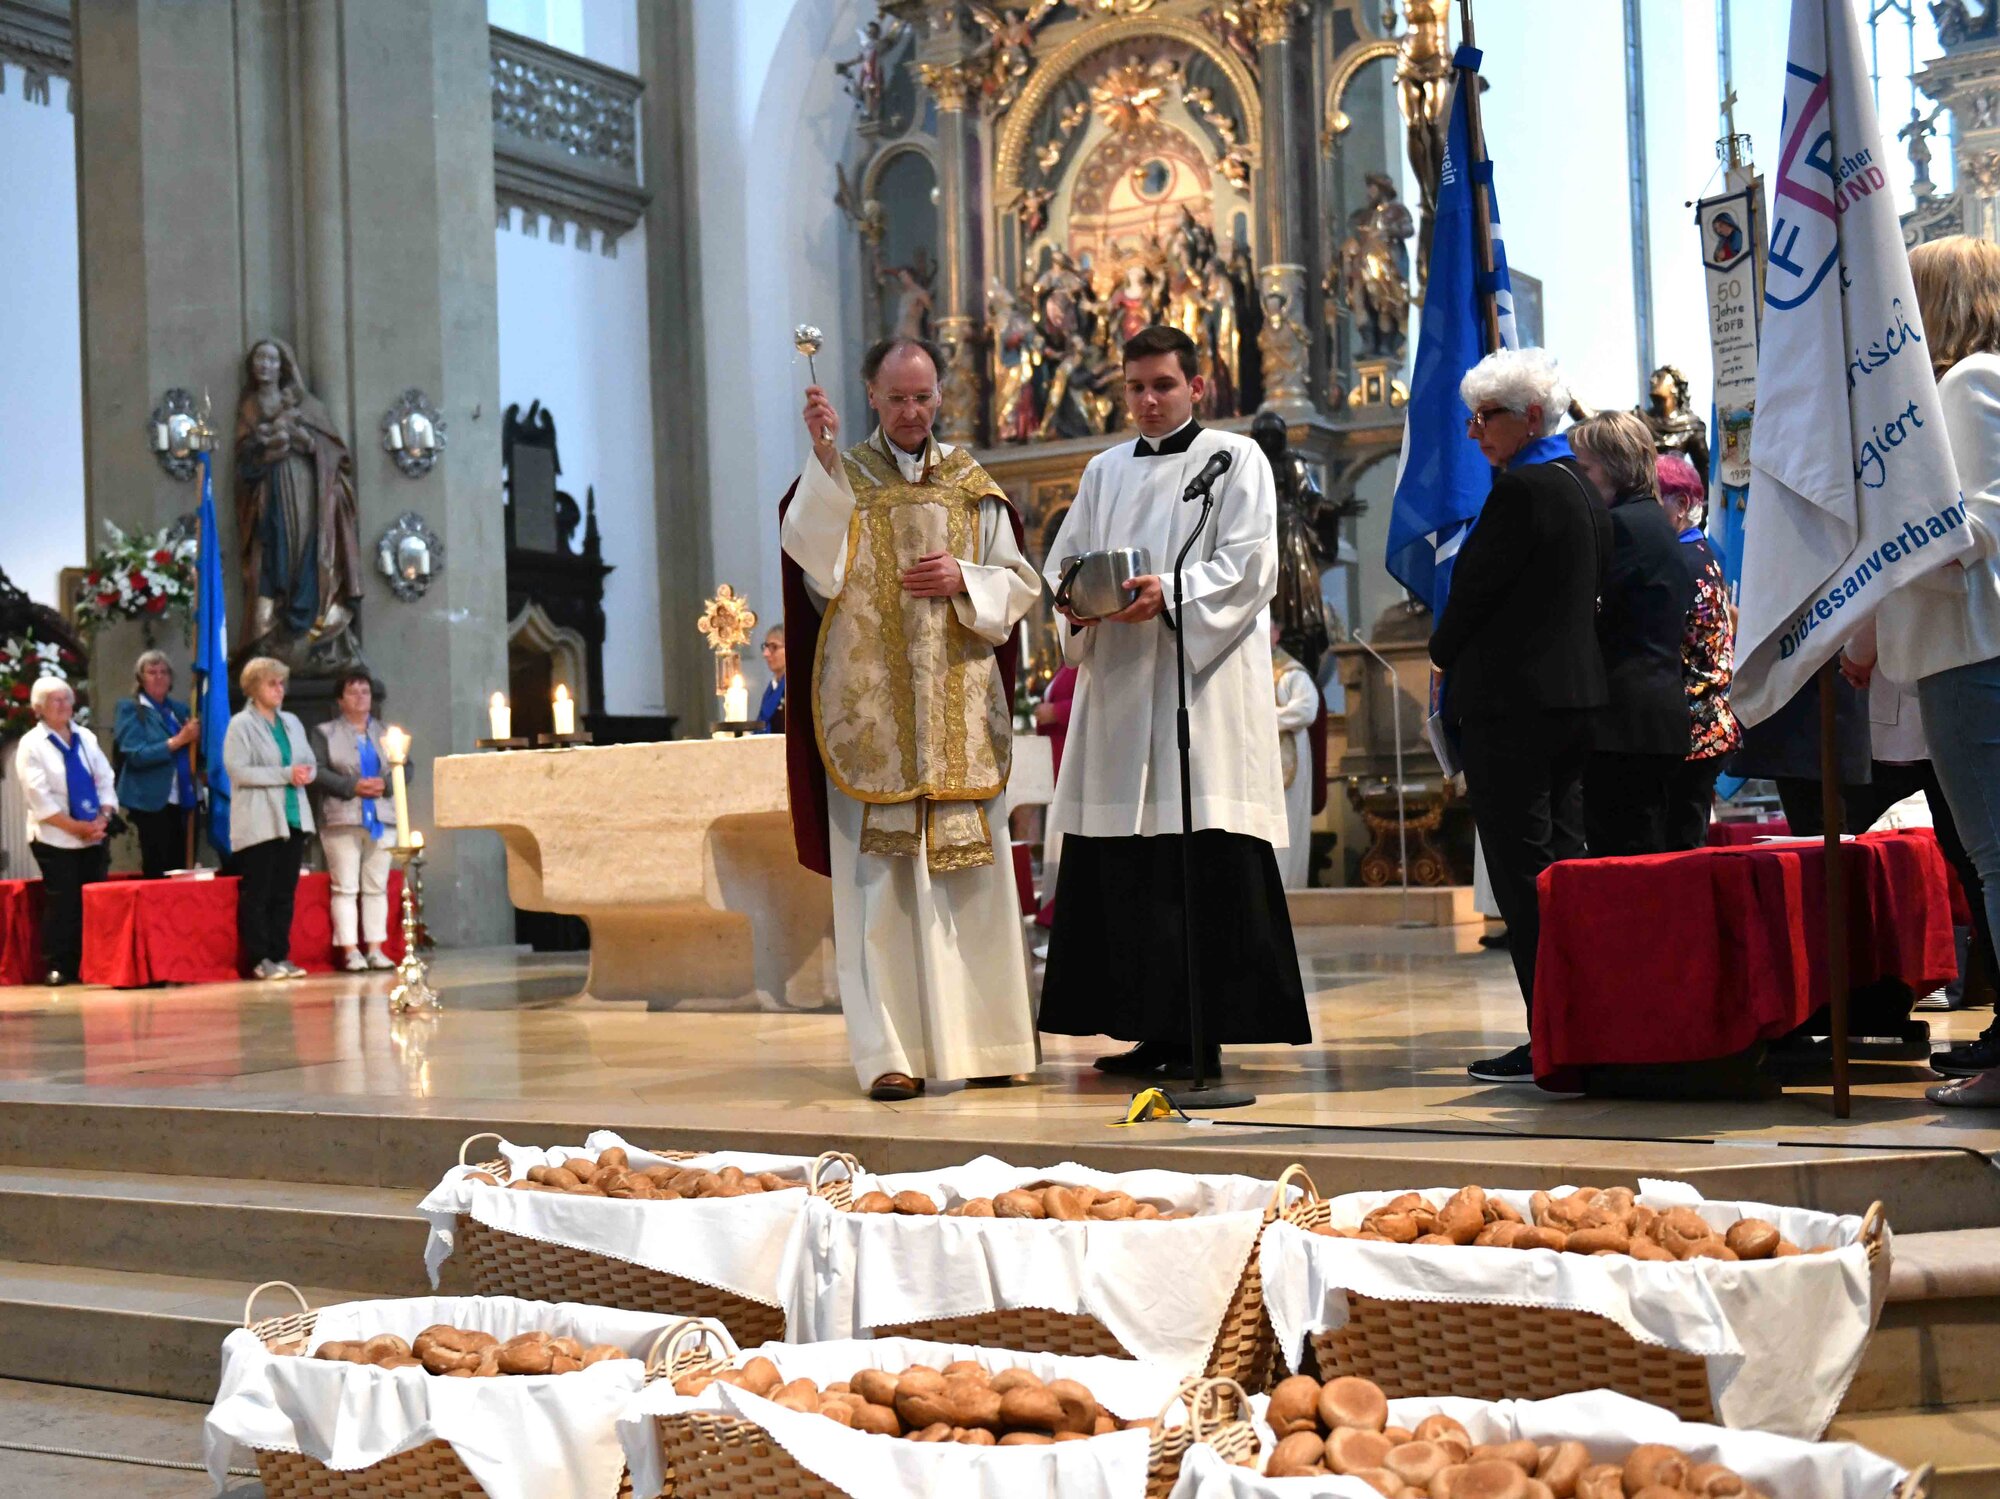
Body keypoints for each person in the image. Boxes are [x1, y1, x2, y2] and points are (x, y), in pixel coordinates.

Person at [1038, 324, 1309, 1080]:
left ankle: (1204, 1033)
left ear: (1198, 386)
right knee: (1130, 866)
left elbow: (1253, 564)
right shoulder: (1102, 470)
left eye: (1164, 385)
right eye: (1136, 387)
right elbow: (1065, 564)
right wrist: (1079, 602)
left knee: (1198, 858)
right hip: (1122, 690)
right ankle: (1150, 1028)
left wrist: (1173, 592)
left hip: (1202, 688)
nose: (1150, 400)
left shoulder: (1235, 457)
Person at [781, 335, 1041, 1100]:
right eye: (897, 397)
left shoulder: (970, 482)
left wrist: (966, 576)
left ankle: (990, 1042)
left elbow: (1019, 589)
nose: (912, 410)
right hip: (874, 722)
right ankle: (887, 1053)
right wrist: (824, 464)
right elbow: (812, 567)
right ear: (871, 395)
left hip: (957, 710)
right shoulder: (845, 477)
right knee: (880, 894)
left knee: (973, 884)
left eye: (923, 397)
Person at [1836, 236, 2000, 1107]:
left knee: (1994, 854)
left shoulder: (1964, 386)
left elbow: (1972, 535)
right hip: (1967, 647)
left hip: (1970, 650)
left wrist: (1883, 545)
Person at [1429, 347, 1610, 1084]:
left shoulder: (1523, 490)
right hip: (1571, 702)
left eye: (1486, 417)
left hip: (1512, 710)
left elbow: (1471, 592)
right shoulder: (1581, 485)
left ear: (1530, 417)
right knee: (1565, 871)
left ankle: (1549, 1037)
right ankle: (1582, 1027)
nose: (1474, 433)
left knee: (1525, 878)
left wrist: (1441, 650)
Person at [1569, 412, 1694, 856]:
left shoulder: (1621, 525)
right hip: (1653, 715)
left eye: (1584, 469)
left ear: (1615, 466)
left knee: (1625, 861)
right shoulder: (1654, 520)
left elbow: (1590, 614)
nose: (1578, 481)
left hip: (1626, 723)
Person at [1655, 454, 1740, 849]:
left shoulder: (1681, 562)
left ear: (1682, 505)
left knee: (1682, 851)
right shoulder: (1700, 554)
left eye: (1654, 502)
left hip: (1692, 728)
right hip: (1704, 724)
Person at [14, 678, 116, 985]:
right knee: (64, 902)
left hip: (93, 833)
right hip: (55, 836)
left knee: (92, 900)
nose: (63, 706)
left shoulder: (85, 737)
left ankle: (94, 962)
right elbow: (38, 795)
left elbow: (104, 778)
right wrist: (75, 828)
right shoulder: (32, 744)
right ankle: (59, 964)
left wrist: (103, 818)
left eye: (67, 699)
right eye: (55, 700)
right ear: (39, 709)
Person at [223, 656, 317, 981]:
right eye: (271, 683)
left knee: (284, 892)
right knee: (259, 893)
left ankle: (281, 955)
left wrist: (306, 773)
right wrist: (285, 774)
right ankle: (260, 957)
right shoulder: (241, 725)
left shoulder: (291, 721)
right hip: (259, 821)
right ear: (253, 687)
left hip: (293, 816)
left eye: (281, 683)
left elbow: (308, 760)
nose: (279, 690)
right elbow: (237, 771)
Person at [312, 668, 395, 972]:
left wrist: (384, 784)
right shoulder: (325, 732)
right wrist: (352, 786)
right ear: (340, 700)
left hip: (382, 816)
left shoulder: (387, 732)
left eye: (365, 691)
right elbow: (317, 770)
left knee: (377, 886)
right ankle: (350, 951)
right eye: (353, 691)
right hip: (342, 818)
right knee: (345, 887)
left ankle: (375, 948)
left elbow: (406, 767)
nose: (361, 697)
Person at [113, 649, 199, 878]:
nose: (159, 677)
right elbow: (136, 755)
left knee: (181, 863)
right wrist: (178, 741)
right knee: (158, 866)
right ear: (140, 678)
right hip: (150, 800)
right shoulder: (131, 709)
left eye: (164, 672)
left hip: (182, 797)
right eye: (152, 672)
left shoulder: (179, 710)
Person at [1272, 623, 1321, 889]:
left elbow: (1306, 710)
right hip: (1257, 766)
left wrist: (1265, 719)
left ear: (1277, 634)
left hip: (1287, 763)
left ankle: (1289, 893)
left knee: (1286, 830)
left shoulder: (1290, 673)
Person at [756, 625, 786, 733]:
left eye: (773, 647)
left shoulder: (796, 689)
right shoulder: (771, 689)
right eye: (765, 647)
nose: (766, 654)